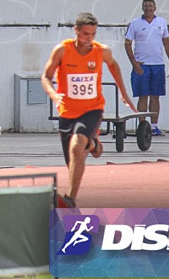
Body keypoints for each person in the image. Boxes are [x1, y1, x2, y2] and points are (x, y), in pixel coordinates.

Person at [42, 12, 136, 208]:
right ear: (76, 31)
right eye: (85, 34)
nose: (89, 39)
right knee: (73, 161)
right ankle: (94, 145)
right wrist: (53, 94)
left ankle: (70, 198)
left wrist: (123, 92)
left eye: (93, 34)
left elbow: (114, 66)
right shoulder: (62, 51)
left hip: (92, 109)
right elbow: (46, 76)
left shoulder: (102, 51)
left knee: (77, 146)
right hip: (67, 111)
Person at [124, 0, 169, 135]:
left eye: (150, 6)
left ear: (155, 8)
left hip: (158, 64)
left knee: (155, 96)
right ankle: (142, 127)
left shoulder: (161, 22)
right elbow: (127, 43)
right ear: (142, 8)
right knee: (143, 96)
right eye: (145, 6)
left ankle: (153, 126)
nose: (148, 9)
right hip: (142, 65)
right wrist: (134, 63)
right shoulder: (135, 23)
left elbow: (167, 42)